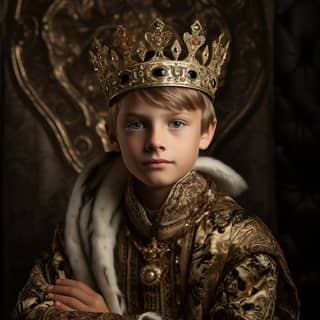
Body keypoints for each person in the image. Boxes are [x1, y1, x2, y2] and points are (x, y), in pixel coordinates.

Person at [12, 18, 300, 320]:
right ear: (112, 133)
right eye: (136, 124)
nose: (155, 142)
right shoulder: (82, 231)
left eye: (176, 123)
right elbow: (31, 311)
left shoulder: (240, 242)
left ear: (206, 132)